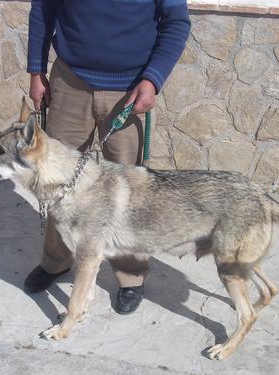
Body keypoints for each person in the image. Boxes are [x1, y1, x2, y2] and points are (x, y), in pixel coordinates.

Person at [25, 0, 190, 314]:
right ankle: (56, 261)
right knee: (58, 183)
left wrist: (153, 78)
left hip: (130, 90)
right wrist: (36, 70)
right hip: (70, 82)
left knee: (131, 194)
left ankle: (131, 277)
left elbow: (176, 21)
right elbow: (44, 9)